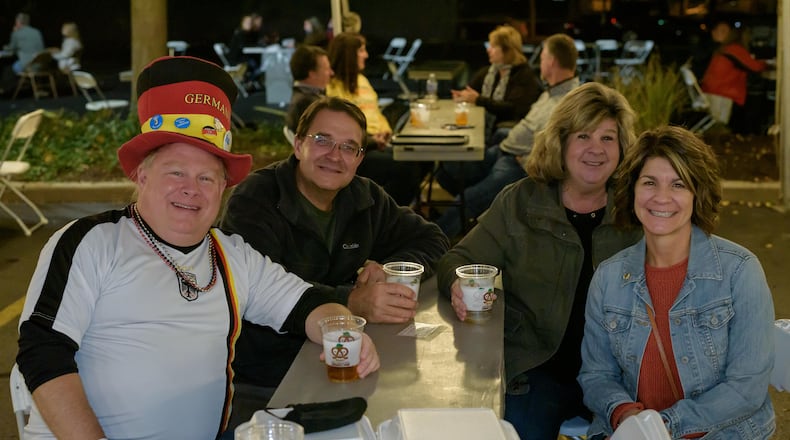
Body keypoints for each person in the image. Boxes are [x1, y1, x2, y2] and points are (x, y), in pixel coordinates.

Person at [15, 56, 380, 439]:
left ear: (223, 188)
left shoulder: (232, 255)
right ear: (142, 175)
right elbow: (43, 351)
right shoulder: (91, 242)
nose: (191, 189)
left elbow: (307, 304)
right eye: (176, 172)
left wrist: (343, 329)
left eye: (207, 177)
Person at [436, 82, 642, 440]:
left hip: (618, 373)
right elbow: (459, 259)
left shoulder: (637, 208)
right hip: (536, 369)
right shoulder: (520, 201)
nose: (596, 149)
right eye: (583, 136)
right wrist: (458, 283)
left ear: (623, 147)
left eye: (608, 138)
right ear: (560, 141)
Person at [221, 96, 448, 404]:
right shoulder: (255, 199)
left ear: (359, 159)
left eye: (348, 147)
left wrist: (389, 268)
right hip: (266, 376)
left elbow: (432, 239)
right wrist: (351, 301)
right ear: (298, 144)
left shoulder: (364, 197)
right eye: (322, 140)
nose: (335, 156)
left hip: (347, 357)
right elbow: (259, 290)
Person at [578, 126, 775, 440]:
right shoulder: (608, 277)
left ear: (698, 194)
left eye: (679, 184)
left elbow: (746, 388)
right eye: (649, 182)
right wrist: (624, 413)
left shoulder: (740, 271)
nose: (662, 197)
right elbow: (596, 374)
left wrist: (664, 425)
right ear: (632, 191)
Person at [436, 33, 579, 238]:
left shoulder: (567, 104)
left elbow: (561, 151)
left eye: (542, 58)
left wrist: (528, 159)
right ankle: (475, 220)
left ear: (552, 61)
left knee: (468, 197)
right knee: (446, 168)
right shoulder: (550, 91)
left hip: (518, 164)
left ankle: (432, 242)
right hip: (505, 149)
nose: (539, 64)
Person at [326, 32, 424, 206]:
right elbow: (340, 127)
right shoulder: (333, 86)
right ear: (349, 54)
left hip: (378, 141)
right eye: (361, 50)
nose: (366, 55)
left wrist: (385, 131)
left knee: (422, 157)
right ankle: (384, 213)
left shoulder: (362, 80)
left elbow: (375, 112)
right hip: (356, 149)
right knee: (405, 166)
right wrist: (371, 139)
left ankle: (394, 208)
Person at [451, 25, 542, 144]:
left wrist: (478, 100)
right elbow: (470, 91)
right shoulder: (489, 72)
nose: (488, 50)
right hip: (482, 130)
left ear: (507, 50)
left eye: (493, 47)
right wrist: (462, 96)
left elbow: (513, 109)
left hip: (507, 136)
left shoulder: (524, 75)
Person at [700, 20, 767, 126]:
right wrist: (769, 64)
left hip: (712, 90)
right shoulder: (734, 49)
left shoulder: (724, 49)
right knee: (719, 125)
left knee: (713, 125)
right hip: (722, 93)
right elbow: (755, 67)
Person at [285, 44, 332, 133]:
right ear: (312, 74)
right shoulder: (308, 105)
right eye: (327, 69)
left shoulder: (302, 97)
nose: (331, 73)